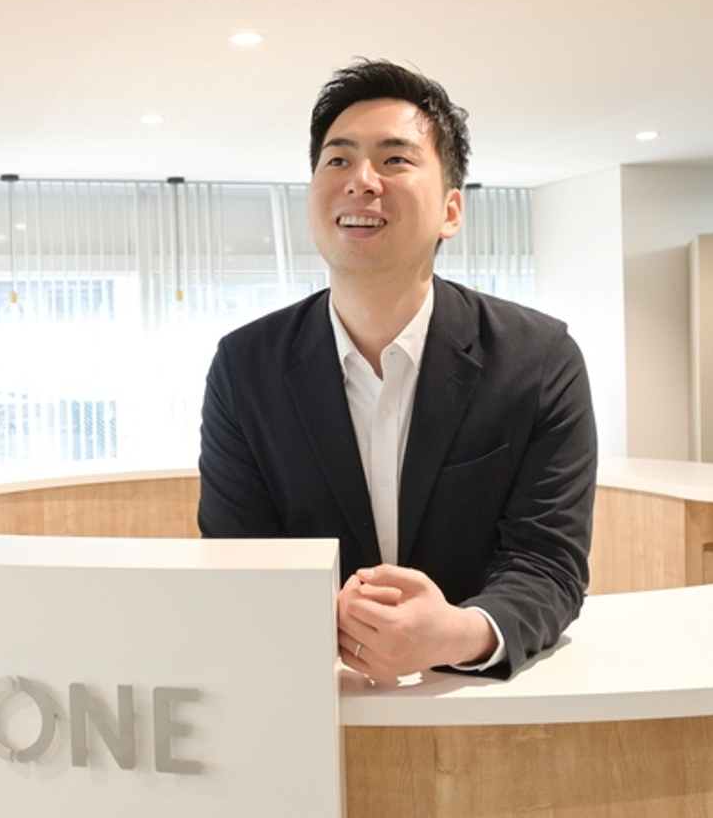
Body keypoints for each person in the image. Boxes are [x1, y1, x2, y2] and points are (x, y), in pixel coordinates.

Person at [197, 59, 596, 680]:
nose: (361, 181)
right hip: (313, 695)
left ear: (451, 211)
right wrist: (323, 621)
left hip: (474, 702)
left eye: (395, 159)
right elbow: (240, 560)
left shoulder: (539, 359)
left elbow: (548, 564)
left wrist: (457, 633)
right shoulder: (244, 367)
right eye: (338, 159)